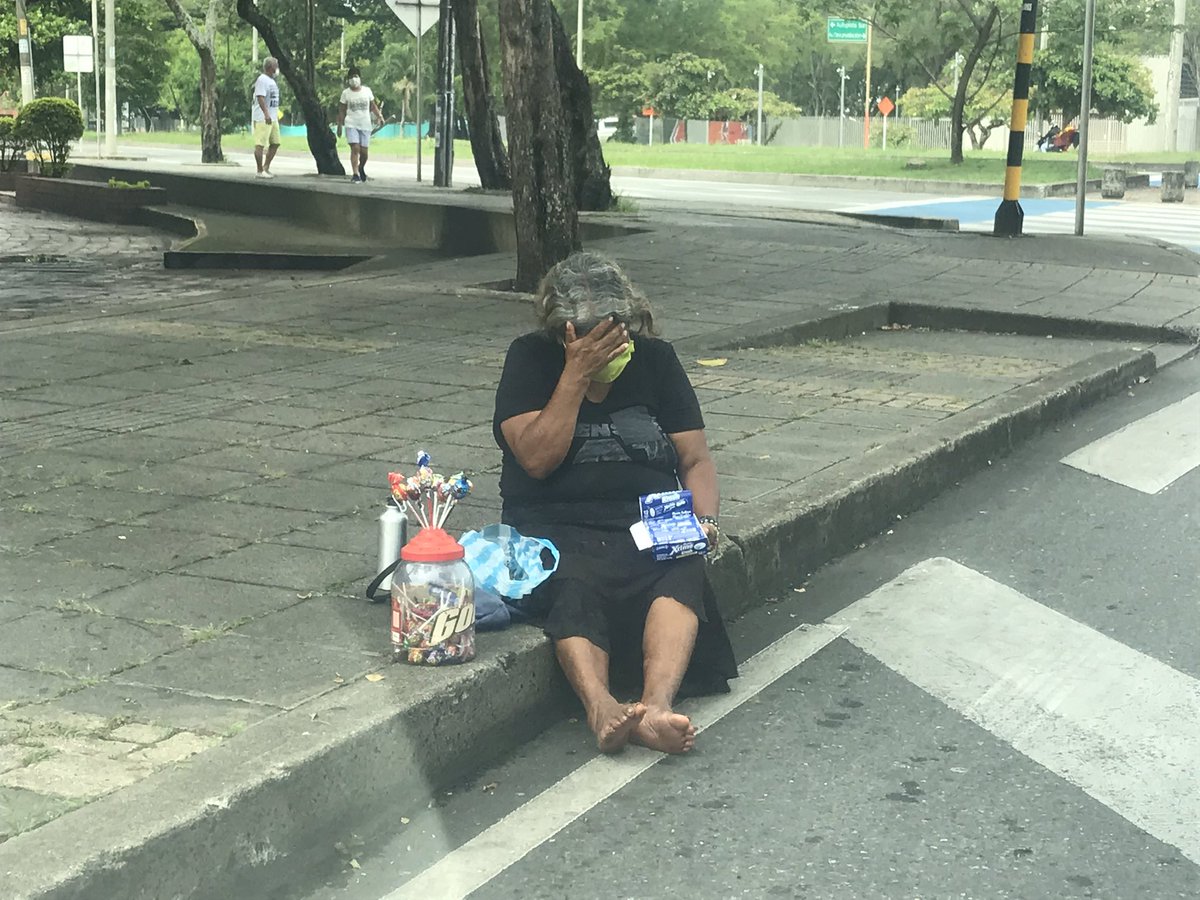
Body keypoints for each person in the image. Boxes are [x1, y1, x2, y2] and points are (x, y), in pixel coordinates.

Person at [493, 252, 738, 756]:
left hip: (644, 518)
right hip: (554, 521)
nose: (608, 345)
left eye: (616, 330)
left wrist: (704, 521)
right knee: (572, 581)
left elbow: (695, 460)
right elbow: (535, 459)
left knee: (681, 566)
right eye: (590, 334)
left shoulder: (657, 360)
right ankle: (601, 706)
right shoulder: (529, 360)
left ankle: (655, 706)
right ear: (563, 332)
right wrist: (574, 378)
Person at [337, 68, 383, 184]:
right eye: (351, 77)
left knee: (364, 152)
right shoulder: (346, 93)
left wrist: (379, 116)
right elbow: (342, 110)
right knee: (355, 148)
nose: (353, 79)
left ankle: (361, 167)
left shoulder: (367, 91)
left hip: (365, 124)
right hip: (351, 123)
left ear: (360, 78)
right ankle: (355, 173)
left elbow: (373, 106)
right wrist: (339, 125)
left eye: (356, 76)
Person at [252, 57, 281, 179]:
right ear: (270, 67)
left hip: (273, 117)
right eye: (276, 65)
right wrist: (266, 114)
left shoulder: (271, 81)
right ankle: (259, 171)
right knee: (260, 144)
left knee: (275, 143)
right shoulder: (262, 80)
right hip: (263, 118)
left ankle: (266, 167)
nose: (277, 68)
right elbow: (260, 97)